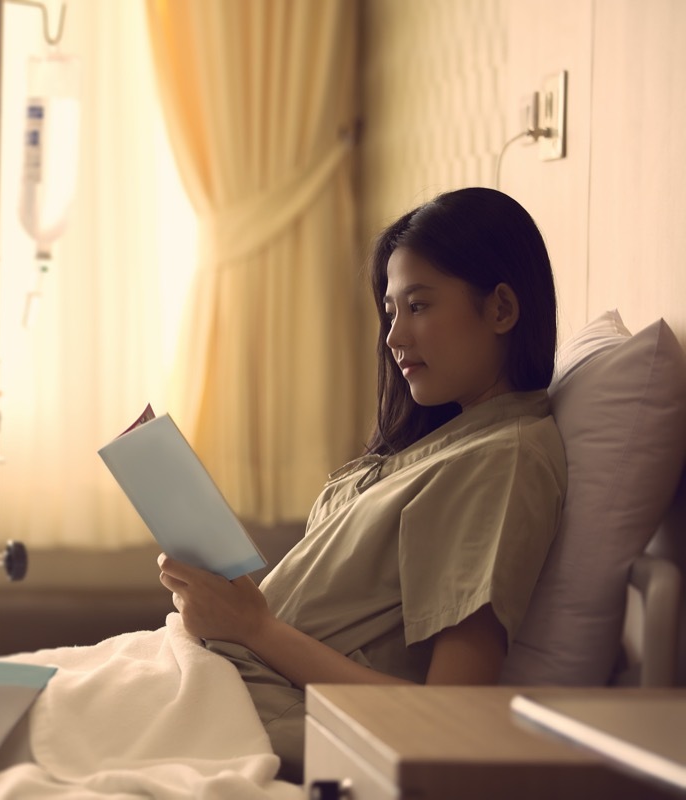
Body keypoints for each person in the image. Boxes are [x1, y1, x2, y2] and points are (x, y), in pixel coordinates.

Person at [157, 187, 567, 783]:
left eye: (419, 306)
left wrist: (252, 627)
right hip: (205, 678)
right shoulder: (447, 442)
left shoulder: (505, 461)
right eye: (391, 311)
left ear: (501, 310)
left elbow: (447, 715)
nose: (394, 338)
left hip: (249, 719)